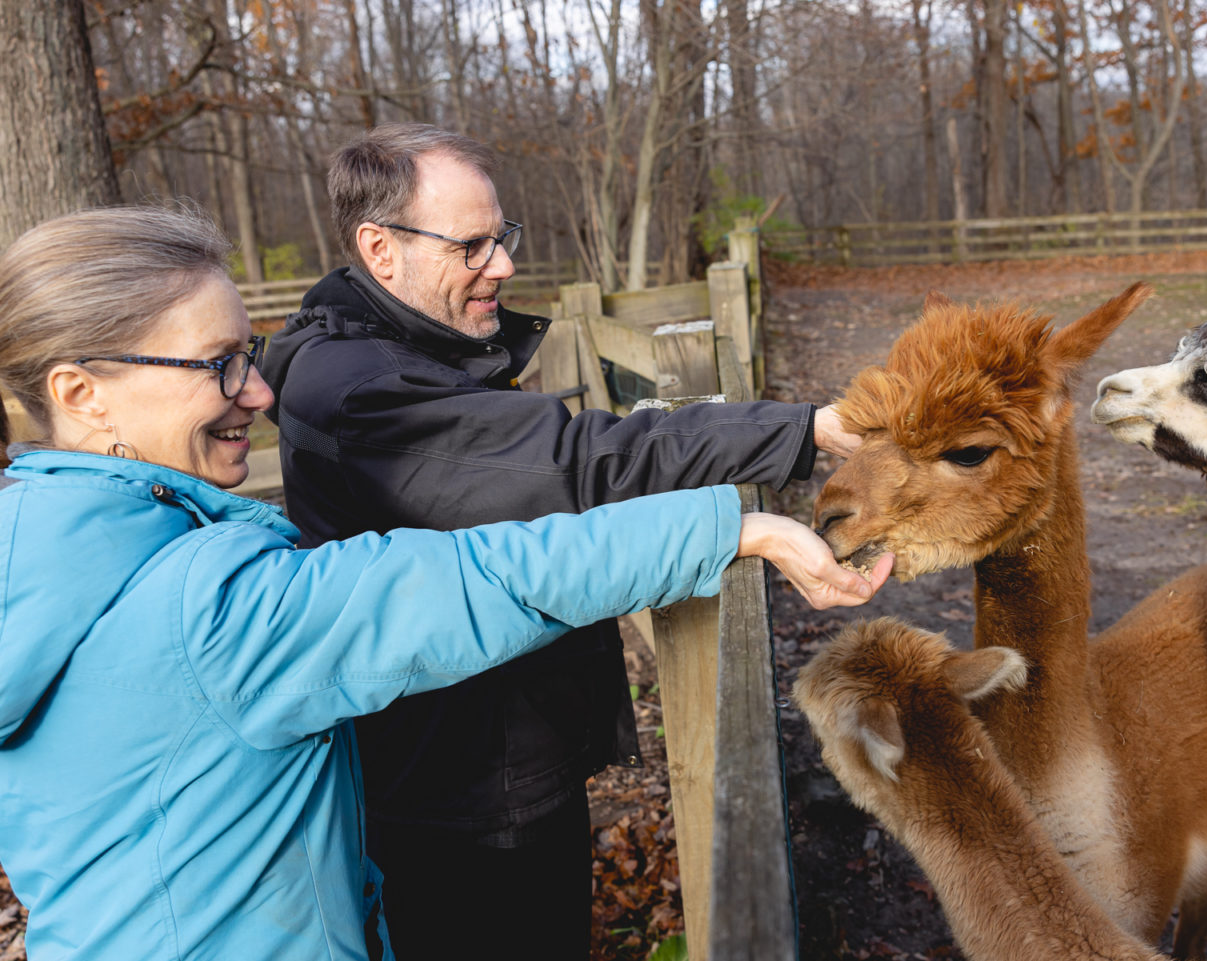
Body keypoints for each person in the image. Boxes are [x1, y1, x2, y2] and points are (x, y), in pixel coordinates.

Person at [0, 205, 890, 961]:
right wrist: (732, 525)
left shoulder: (37, 556)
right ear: (82, 392)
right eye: (218, 363)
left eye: (250, 352)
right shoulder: (200, 605)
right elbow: (472, 580)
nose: (258, 393)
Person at [261, 124, 871, 958]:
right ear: (380, 247)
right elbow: (577, 463)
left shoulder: (397, 346)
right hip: (467, 795)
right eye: (472, 244)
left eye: (502, 238)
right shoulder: (366, 390)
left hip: (486, 758)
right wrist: (804, 430)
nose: (503, 266)